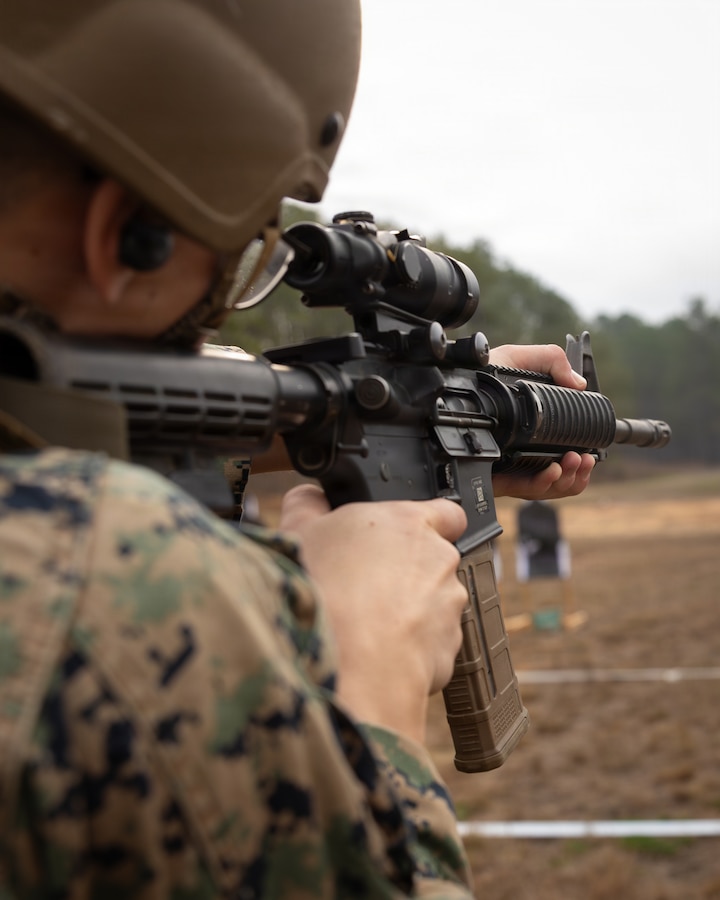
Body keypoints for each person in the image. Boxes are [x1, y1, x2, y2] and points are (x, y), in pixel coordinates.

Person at [0, 2, 595, 897]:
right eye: (245, 265)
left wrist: (414, 413)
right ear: (124, 236)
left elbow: (115, 388)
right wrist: (368, 682)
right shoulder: (108, 573)